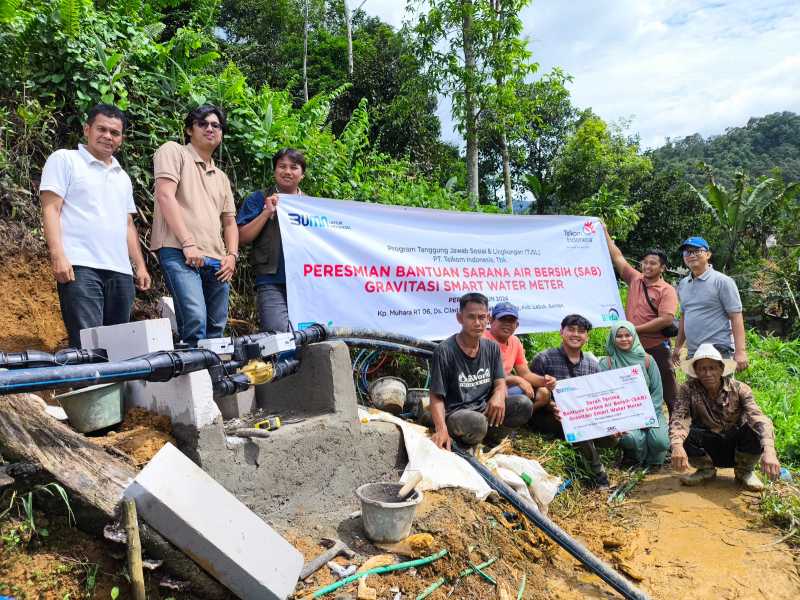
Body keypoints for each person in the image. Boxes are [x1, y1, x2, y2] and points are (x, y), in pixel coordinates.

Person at [40, 104, 151, 348]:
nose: (108, 136)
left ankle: (113, 387)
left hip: (120, 271)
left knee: (118, 348)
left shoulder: (122, 176)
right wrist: (58, 255)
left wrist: (140, 267)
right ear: (87, 129)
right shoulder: (65, 160)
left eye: (115, 132)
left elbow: (128, 223)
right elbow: (51, 209)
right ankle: (90, 385)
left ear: (121, 138)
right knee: (89, 346)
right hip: (81, 267)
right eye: (102, 129)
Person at [150, 105, 239, 346]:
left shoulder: (221, 177)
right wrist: (188, 244)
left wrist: (231, 256)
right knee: (195, 322)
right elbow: (165, 196)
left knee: (216, 328)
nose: (210, 128)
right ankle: (190, 381)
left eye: (216, 125)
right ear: (190, 129)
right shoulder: (174, 152)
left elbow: (230, 222)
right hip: (179, 252)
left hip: (217, 260)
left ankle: (211, 382)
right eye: (203, 123)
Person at [429, 293, 533, 450]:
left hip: (484, 410)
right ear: (460, 318)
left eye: (482, 317)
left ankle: (491, 438)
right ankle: (470, 439)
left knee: (523, 405)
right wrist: (441, 429)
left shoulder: (491, 348)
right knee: (476, 423)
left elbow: (500, 382)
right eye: (471, 317)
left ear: (488, 319)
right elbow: (436, 396)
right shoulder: (445, 350)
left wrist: (498, 396)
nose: (477, 323)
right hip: (457, 414)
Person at [670, 343, 780, 491]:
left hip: (736, 446)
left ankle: (744, 471)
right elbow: (679, 417)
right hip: (708, 444)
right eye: (702, 369)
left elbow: (758, 417)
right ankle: (705, 470)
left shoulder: (740, 389)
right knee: (682, 432)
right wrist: (677, 446)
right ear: (696, 371)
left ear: (721, 369)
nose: (707, 373)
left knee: (755, 429)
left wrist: (769, 451)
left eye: (712, 368)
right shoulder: (687, 389)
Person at [530, 314, 617, 488]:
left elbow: (597, 398)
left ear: (587, 336)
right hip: (548, 417)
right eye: (571, 329)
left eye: (581, 331)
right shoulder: (544, 358)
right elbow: (533, 393)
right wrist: (550, 405)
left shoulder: (592, 365)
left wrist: (612, 421)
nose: (576, 334)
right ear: (562, 332)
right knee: (578, 426)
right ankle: (599, 475)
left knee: (611, 439)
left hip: (581, 416)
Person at [604, 226, 679, 413]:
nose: (647, 266)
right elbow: (618, 257)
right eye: (645, 262)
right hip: (630, 347)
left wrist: (635, 330)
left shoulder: (666, 290)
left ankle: (678, 423)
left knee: (667, 385)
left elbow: (666, 319)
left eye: (653, 263)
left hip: (656, 347)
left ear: (662, 268)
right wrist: (604, 231)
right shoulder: (635, 279)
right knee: (632, 385)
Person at [237, 148, 305, 332]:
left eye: (294, 167)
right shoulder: (258, 199)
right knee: (278, 337)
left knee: (307, 338)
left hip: (305, 283)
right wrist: (266, 212)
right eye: (282, 166)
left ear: (302, 174)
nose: (287, 171)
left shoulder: (312, 207)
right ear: (274, 171)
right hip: (271, 280)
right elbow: (241, 237)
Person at [598, 321, 669, 469]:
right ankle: (636, 458)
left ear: (634, 336)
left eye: (627, 335)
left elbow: (657, 391)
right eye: (619, 336)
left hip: (651, 412)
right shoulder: (607, 364)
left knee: (660, 441)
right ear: (613, 339)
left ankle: (655, 460)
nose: (624, 339)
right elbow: (604, 395)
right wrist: (627, 416)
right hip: (623, 415)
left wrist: (647, 415)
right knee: (631, 439)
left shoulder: (647, 360)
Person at [672, 236, 747, 371]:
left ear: (708, 254)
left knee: (721, 391)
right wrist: (678, 346)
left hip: (718, 350)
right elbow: (684, 316)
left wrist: (740, 352)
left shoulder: (722, 281)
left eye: (697, 251)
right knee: (695, 390)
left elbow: (736, 316)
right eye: (687, 252)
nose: (692, 255)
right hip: (693, 351)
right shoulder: (683, 284)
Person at [483, 301, 557, 400]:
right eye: (502, 319)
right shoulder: (481, 339)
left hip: (506, 386)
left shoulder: (515, 341)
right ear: (491, 320)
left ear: (517, 325)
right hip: (485, 389)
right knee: (516, 394)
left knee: (542, 392)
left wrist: (546, 381)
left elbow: (525, 374)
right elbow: (486, 376)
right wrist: (517, 379)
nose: (507, 324)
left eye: (511, 321)